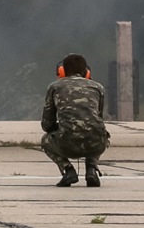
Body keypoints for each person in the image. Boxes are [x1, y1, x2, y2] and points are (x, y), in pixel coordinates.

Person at [40, 53, 110, 187]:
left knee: (45, 140)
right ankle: (91, 169)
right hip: (96, 144)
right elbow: (98, 118)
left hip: (68, 144)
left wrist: (60, 127)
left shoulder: (54, 87)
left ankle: (68, 170)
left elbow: (46, 124)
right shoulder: (98, 88)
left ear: (62, 71)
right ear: (86, 72)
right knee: (96, 131)